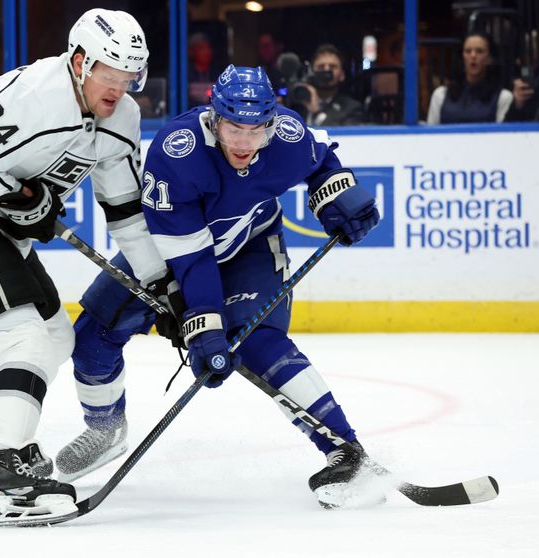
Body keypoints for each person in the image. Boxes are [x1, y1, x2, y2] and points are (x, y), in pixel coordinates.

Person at [57, 65, 383, 509]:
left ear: (271, 121)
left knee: (259, 340)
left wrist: (336, 194)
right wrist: (204, 324)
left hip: (250, 245)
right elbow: (191, 260)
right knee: (93, 335)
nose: (245, 142)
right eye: (234, 127)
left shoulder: (286, 135)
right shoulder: (178, 153)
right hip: (168, 255)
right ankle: (104, 427)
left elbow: (321, 159)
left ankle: (345, 451)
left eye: (256, 129)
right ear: (214, 117)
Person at [0, 8, 168, 527]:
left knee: (54, 338)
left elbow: (125, 214)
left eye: (128, 78)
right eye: (108, 75)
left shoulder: (124, 119)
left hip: (1, 233)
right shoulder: (34, 95)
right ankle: (3, 470)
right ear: (79, 61)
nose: (118, 89)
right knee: (24, 338)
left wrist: (160, 284)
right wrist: (14, 199)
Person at [426, 31, 513, 124]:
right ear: (462, 57)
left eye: (480, 51)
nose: (473, 56)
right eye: (468, 51)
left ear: (490, 58)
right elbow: (429, 134)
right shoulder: (440, 95)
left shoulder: (503, 97)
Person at [297, 44, 365, 126]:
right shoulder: (297, 105)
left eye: (332, 67)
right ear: (311, 72)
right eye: (321, 67)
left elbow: (344, 136)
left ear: (342, 75)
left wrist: (316, 113)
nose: (326, 70)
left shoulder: (353, 109)